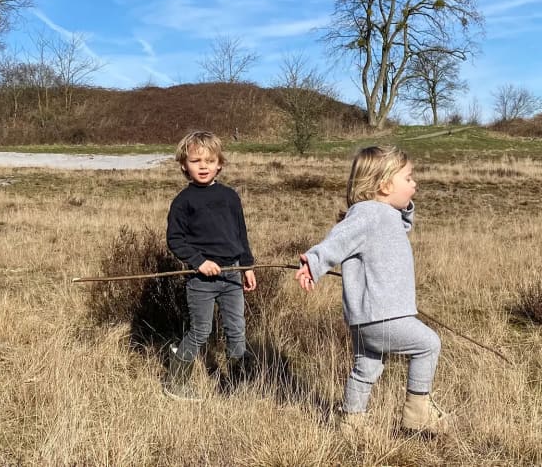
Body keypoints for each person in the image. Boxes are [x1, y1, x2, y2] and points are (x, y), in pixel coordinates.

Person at [294, 145, 447, 435]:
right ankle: (417, 413)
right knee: (428, 344)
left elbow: (400, 226)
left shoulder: (383, 215)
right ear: (384, 185)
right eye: (409, 178)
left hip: (367, 319)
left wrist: (405, 205)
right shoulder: (367, 215)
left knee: (367, 368)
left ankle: (352, 423)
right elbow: (337, 241)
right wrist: (313, 262)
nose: (415, 183)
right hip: (383, 316)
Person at [165, 130, 257, 402]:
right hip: (200, 281)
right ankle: (175, 381)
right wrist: (199, 262)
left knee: (236, 329)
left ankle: (237, 384)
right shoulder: (183, 202)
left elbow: (241, 233)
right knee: (201, 331)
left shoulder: (230, 197)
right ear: (184, 165)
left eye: (209, 160)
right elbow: (175, 239)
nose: (203, 166)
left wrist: (247, 267)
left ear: (220, 163)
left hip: (232, 275)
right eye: (195, 161)